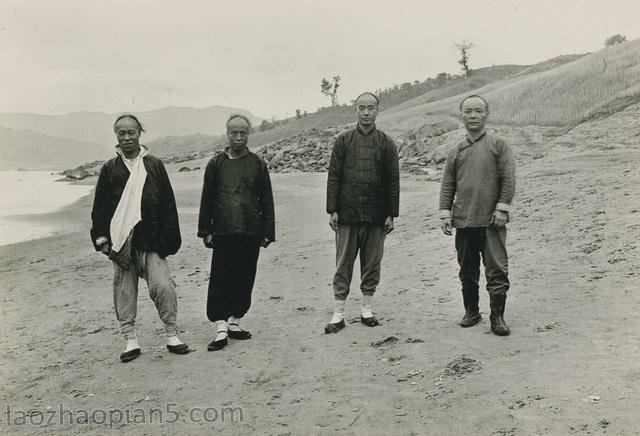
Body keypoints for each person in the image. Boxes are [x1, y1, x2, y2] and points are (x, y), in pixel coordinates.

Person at [90, 114, 190, 363]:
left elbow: (168, 203)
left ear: (139, 134)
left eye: (131, 132)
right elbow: (100, 207)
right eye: (121, 133)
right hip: (121, 241)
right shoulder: (109, 169)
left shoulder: (154, 165)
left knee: (163, 286)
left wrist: (170, 239)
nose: (126, 137)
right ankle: (130, 340)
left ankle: (171, 334)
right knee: (124, 291)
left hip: (151, 238)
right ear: (116, 135)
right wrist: (101, 237)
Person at [439, 95, 516, 336]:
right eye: (468, 112)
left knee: (497, 269)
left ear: (486, 115)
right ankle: (471, 312)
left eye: (478, 111)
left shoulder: (498, 145)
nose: (473, 116)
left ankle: (497, 317)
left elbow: (508, 178)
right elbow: (447, 185)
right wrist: (445, 214)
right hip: (464, 221)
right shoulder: (455, 151)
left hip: (492, 221)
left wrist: (502, 208)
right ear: (461, 116)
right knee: (467, 269)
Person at [198, 114, 275, 351]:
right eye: (234, 133)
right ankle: (220, 327)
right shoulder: (216, 164)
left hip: (251, 230)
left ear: (249, 134)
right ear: (227, 134)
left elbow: (267, 200)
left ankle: (235, 322)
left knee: (245, 276)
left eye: (243, 132)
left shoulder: (257, 163)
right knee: (221, 278)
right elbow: (207, 199)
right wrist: (206, 230)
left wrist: (268, 231)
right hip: (223, 231)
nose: (239, 137)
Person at [324, 92, 400, 334]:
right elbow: (334, 176)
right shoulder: (343, 141)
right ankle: (338, 314)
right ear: (355, 110)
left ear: (377, 111)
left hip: (377, 216)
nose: (366, 113)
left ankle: (367, 309)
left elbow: (393, 181)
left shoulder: (387, 143)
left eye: (370, 108)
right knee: (343, 264)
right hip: (347, 214)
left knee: (372, 263)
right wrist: (332, 209)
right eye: (361, 108)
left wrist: (391, 213)